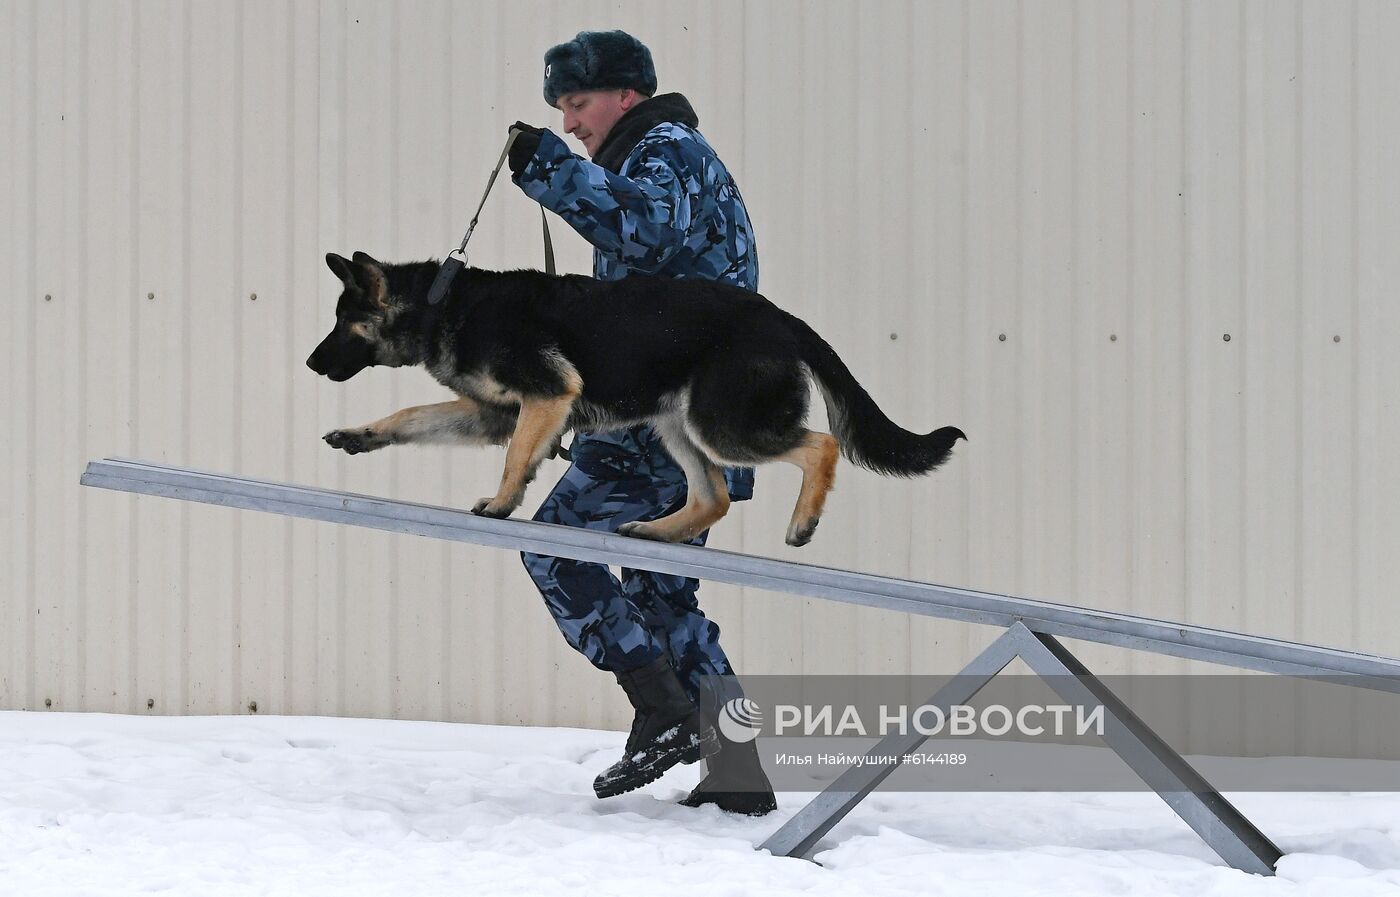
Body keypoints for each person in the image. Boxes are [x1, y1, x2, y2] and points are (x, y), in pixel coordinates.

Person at [507, 29, 776, 815]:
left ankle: (661, 706)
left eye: (578, 103)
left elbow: (646, 233)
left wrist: (553, 178)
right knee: (663, 596)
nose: (569, 124)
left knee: (556, 549)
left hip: (670, 418)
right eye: (559, 109)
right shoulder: (652, 157)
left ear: (627, 93)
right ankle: (738, 768)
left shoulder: (666, 149)